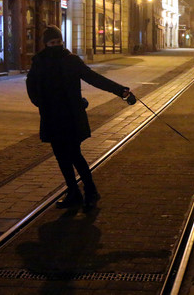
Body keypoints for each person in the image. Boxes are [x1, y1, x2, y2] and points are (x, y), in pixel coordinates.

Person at [26, 25, 136, 211]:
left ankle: (91, 192)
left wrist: (121, 91)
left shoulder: (71, 61)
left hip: (70, 117)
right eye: (52, 42)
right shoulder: (39, 62)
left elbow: (94, 78)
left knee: (75, 155)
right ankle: (73, 192)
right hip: (52, 117)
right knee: (61, 157)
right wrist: (42, 104)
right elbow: (31, 86)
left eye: (59, 42)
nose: (56, 45)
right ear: (46, 44)